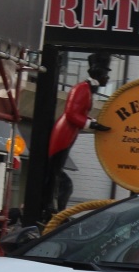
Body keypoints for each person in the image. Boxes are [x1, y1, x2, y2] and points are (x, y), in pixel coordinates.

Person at [43, 51, 111, 222]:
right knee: (55, 173)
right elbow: (71, 113)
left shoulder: (87, 89)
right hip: (63, 135)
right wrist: (92, 124)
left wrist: (93, 123)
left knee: (57, 175)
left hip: (68, 134)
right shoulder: (81, 89)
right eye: (106, 74)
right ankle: (51, 209)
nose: (108, 78)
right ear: (99, 73)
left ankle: (56, 209)